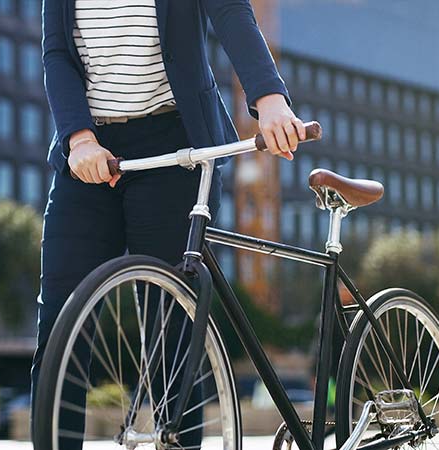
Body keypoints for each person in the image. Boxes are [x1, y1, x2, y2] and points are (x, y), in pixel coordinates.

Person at [30, 0, 307, 448]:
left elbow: (230, 11)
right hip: (88, 152)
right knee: (61, 331)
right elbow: (56, 53)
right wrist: (79, 138)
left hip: (173, 146)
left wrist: (269, 99)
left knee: (170, 335)